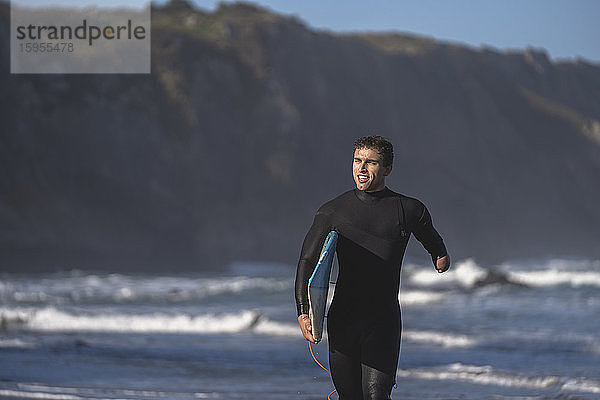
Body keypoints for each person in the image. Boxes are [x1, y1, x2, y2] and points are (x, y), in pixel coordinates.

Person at [295, 135, 450, 400]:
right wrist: (303, 311)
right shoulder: (332, 212)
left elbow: (431, 237)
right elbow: (308, 261)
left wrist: (440, 256)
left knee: (377, 396)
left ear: (387, 169)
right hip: (343, 319)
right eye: (357, 160)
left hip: (383, 321)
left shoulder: (408, 209)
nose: (362, 168)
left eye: (371, 162)